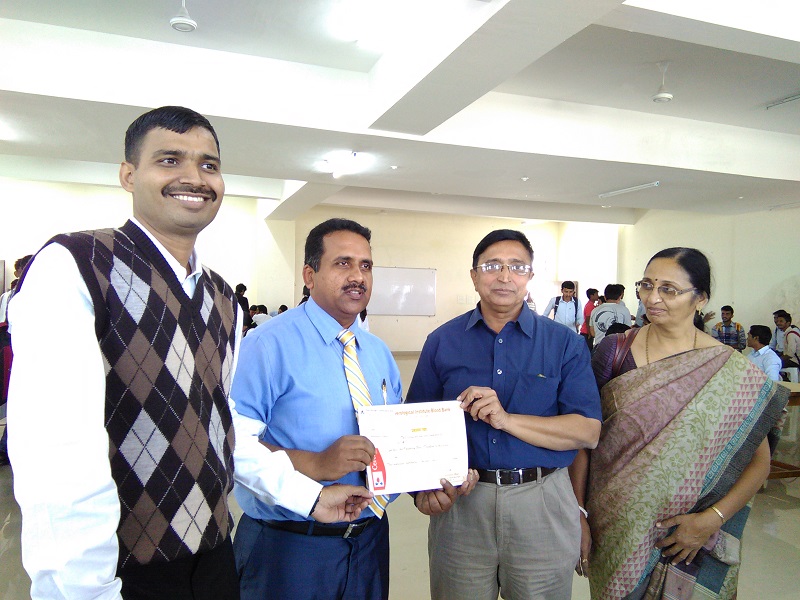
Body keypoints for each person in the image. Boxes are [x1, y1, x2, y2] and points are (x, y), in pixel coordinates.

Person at [6, 107, 370, 600]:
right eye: (169, 159)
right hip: (121, 573)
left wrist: (309, 499)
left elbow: (224, 431)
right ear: (128, 175)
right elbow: (57, 458)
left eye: (209, 165)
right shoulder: (77, 265)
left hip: (213, 556)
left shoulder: (222, 299)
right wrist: (84, 591)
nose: (194, 178)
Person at [406, 229, 602, 600]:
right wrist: (421, 490)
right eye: (492, 266)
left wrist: (506, 420)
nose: (504, 276)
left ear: (530, 276)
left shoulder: (564, 343)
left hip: (541, 502)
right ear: (474, 275)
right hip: (463, 506)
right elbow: (415, 425)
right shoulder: (442, 341)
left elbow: (587, 431)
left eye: (517, 267)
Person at [586, 247, 788, 600]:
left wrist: (713, 518)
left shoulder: (731, 371)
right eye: (647, 285)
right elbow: (584, 439)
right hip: (614, 525)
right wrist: (578, 513)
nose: (653, 298)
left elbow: (760, 463)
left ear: (701, 298)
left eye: (669, 289)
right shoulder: (614, 352)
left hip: (693, 533)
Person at [230, 218, 404, 600]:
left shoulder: (378, 353)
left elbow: (396, 443)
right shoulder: (267, 345)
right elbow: (231, 445)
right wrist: (318, 463)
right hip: (290, 546)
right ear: (309, 275)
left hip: (370, 541)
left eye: (366, 265)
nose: (358, 276)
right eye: (343, 263)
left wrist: (432, 478)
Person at [588, 283, 631, 348]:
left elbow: (592, 332)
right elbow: (628, 331)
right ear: (620, 297)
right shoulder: (624, 310)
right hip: (617, 347)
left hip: (599, 347)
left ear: (605, 297)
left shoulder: (595, 310)